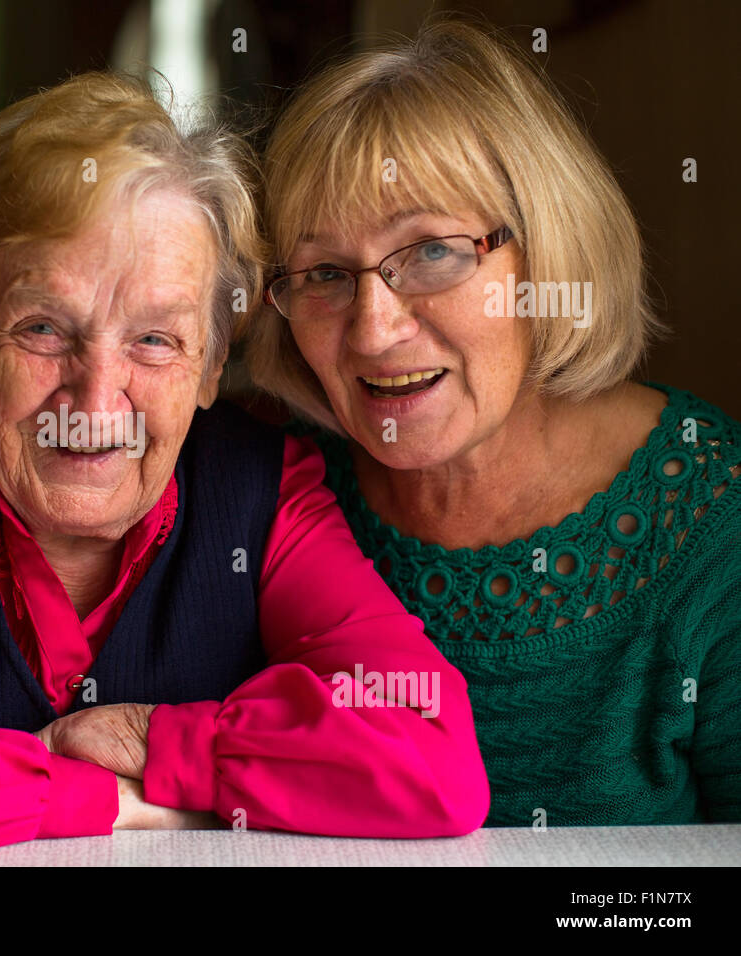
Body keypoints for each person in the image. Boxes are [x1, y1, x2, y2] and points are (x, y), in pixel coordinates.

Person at [0, 71, 489, 865]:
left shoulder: (268, 492)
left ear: (210, 366)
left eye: (155, 340)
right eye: (41, 328)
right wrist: (114, 799)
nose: (95, 400)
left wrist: (147, 737)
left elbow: (431, 750)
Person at [250, 19, 740, 826]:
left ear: (547, 253)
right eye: (326, 274)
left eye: (433, 251)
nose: (374, 330)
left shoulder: (713, 521)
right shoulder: (273, 496)